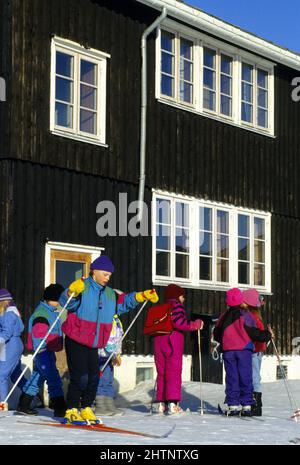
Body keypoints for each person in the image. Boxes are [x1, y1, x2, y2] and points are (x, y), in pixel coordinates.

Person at [59, 254, 159, 425]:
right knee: (80, 376)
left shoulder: (110, 294)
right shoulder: (83, 287)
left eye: (109, 275)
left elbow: (124, 302)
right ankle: (72, 409)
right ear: (94, 271)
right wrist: (71, 291)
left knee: (93, 377)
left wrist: (141, 296)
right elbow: (67, 303)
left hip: (95, 342)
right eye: (105, 274)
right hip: (76, 338)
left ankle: (86, 408)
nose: (107, 278)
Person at [214, 287, 273, 416]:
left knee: (232, 377)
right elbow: (253, 332)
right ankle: (246, 405)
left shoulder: (224, 316)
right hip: (244, 350)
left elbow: (216, 333)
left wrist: (225, 341)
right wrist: (267, 335)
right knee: (245, 376)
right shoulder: (245, 315)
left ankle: (233, 405)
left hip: (229, 351)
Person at [17, 284, 66, 417]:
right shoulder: (42, 314)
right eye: (59, 299)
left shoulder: (51, 311)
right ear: (52, 299)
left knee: (37, 378)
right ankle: (60, 407)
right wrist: (42, 350)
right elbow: (39, 337)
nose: (61, 303)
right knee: (53, 378)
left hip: (47, 351)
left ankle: (24, 404)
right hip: (43, 352)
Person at [153, 284, 204, 415]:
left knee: (162, 372)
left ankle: (161, 403)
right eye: (182, 296)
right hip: (172, 343)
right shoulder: (176, 306)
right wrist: (195, 324)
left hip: (159, 343)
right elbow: (179, 323)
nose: (184, 299)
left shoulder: (161, 307)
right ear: (176, 296)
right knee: (173, 372)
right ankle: (173, 403)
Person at [242, 289, 274, 416]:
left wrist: (267, 335)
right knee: (254, 376)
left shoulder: (251, 317)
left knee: (254, 377)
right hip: (257, 350)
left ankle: (255, 406)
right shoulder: (255, 317)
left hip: (254, 350)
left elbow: (256, 334)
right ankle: (254, 404)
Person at [95, 307, 124, 416]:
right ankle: (100, 406)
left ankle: (109, 404)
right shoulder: (105, 318)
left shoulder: (116, 320)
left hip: (110, 355)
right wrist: (114, 354)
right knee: (102, 380)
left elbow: (118, 338)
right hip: (102, 354)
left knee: (109, 379)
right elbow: (108, 338)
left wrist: (117, 354)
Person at [0, 289, 25, 409]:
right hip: (12, 344)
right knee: (16, 375)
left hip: (10, 344)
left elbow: (7, 332)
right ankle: (31, 397)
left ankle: (2, 405)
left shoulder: (8, 313)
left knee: (1, 375)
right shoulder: (11, 312)